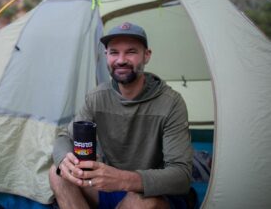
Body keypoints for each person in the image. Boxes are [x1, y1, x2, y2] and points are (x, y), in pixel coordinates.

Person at [49, 22, 193, 209]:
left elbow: (181, 176)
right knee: (57, 173)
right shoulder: (97, 98)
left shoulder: (171, 102)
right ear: (106, 56)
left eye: (131, 52)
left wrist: (122, 179)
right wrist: (64, 160)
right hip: (107, 186)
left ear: (146, 56)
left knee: (141, 203)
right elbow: (65, 137)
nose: (121, 60)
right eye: (114, 52)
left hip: (150, 192)